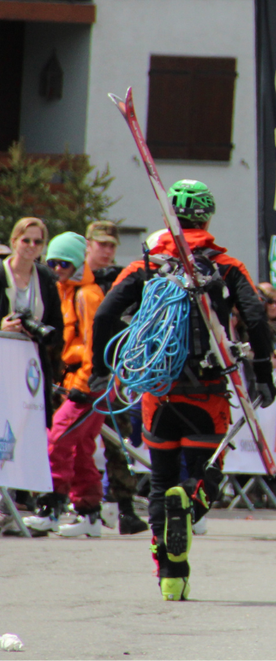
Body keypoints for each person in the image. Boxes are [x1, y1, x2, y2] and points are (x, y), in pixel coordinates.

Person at [90, 180, 276, 601]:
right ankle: (190, 504)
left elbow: (105, 314)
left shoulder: (149, 265)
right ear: (207, 218)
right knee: (204, 476)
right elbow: (257, 318)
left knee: (160, 481)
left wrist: (102, 373)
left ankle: (170, 576)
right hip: (207, 394)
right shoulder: (226, 265)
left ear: (167, 217)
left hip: (158, 391)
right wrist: (261, 375)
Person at [23, 233, 114, 537]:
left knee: (57, 439)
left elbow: (93, 344)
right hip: (78, 382)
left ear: (77, 263)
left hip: (89, 385)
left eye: (65, 262)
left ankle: (51, 506)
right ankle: (89, 513)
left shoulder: (87, 295)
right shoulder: (62, 291)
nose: (57, 267)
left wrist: (86, 384)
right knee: (80, 448)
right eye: (52, 262)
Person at [82, 221, 147, 535]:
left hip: (114, 372)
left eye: (111, 245)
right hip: (79, 372)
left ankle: (124, 507)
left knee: (118, 441)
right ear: (89, 244)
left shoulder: (123, 280)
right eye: (101, 244)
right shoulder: (75, 277)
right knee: (72, 441)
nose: (107, 251)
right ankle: (71, 503)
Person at [3, 217, 64, 408]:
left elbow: (57, 326)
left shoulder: (46, 277)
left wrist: (39, 331)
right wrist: (2, 328)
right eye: (26, 240)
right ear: (14, 241)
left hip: (33, 360)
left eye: (38, 242)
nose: (32, 246)